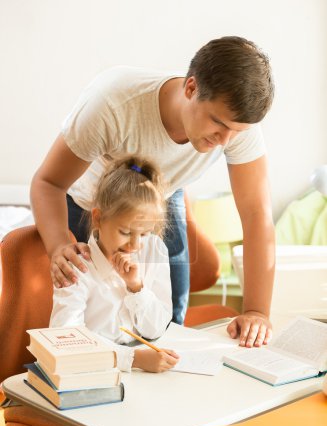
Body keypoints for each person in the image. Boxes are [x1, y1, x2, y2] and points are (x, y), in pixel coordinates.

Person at [31, 36, 275, 346]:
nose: (226, 140)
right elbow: (48, 183)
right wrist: (57, 246)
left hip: (162, 198)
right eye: (218, 124)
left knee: (168, 323)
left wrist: (257, 311)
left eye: (236, 132)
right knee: (88, 319)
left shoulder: (237, 124)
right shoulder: (112, 103)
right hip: (94, 205)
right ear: (191, 88)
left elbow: (257, 215)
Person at [50, 156, 179, 373]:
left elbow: (156, 329)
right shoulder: (77, 268)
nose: (135, 245)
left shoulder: (154, 250)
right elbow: (65, 340)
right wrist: (132, 359)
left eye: (145, 234)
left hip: (141, 373)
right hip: (90, 373)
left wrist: (136, 288)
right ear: (98, 218)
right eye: (126, 232)